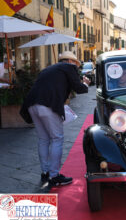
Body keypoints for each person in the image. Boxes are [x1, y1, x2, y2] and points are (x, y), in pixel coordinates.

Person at [20, 51, 90, 186]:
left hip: (32, 105)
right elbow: (80, 88)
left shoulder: (48, 69)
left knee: (43, 139)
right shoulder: (69, 68)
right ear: (71, 62)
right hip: (47, 105)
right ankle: (54, 175)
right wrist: (86, 83)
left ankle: (45, 172)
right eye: (76, 64)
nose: (76, 67)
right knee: (57, 138)